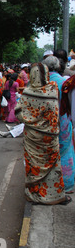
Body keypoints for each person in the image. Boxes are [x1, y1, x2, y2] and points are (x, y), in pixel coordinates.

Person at [15, 63, 71, 205]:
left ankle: (35, 194)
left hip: (32, 138)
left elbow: (18, 113)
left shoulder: (27, 93)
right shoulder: (52, 90)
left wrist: (32, 122)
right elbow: (55, 113)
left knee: (34, 166)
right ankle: (54, 196)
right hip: (50, 137)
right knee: (53, 167)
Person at [43, 56, 75, 194]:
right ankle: (66, 185)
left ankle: (46, 186)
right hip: (62, 123)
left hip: (44, 124)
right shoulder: (64, 82)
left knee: (45, 153)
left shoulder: (40, 83)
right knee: (65, 152)